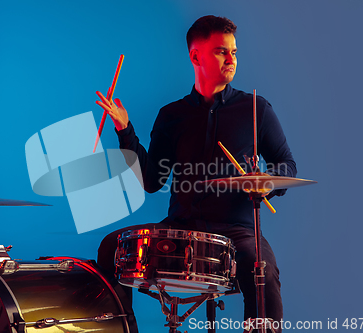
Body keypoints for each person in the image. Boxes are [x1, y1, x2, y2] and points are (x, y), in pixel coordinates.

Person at [95, 15, 296, 333]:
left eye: (234, 52)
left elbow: (287, 164)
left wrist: (264, 182)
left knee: (263, 270)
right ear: (195, 56)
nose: (231, 59)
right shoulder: (171, 115)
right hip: (180, 227)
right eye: (221, 51)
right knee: (112, 247)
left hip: (237, 232)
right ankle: (122, 328)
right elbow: (152, 181)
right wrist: (124, 130)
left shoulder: (257, 110)